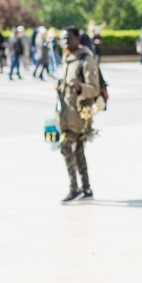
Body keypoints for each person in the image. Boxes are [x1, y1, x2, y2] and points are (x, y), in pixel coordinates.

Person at [56, 26, 101, 203]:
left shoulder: (86, 60)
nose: (65, 42)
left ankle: (74, 188)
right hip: (66, 113)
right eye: (62, 39)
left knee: (66, 147)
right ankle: (86, 188)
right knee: (79, 151)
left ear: (77, 38)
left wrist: (79, 87)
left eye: (68, 38)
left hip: (80, 115)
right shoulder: (67, 58)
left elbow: (94, 88)